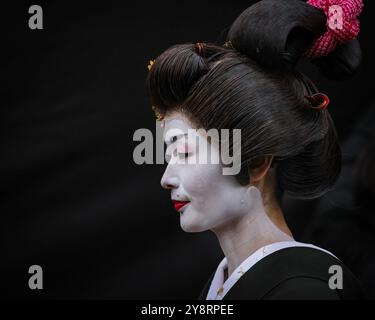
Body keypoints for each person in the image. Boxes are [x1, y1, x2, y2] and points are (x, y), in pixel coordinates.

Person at [145, 0, 364, 299]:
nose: (166, 179)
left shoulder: (305, 291)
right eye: (169, 158)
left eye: (184, 154)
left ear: (256, 162)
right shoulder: (223, 284)